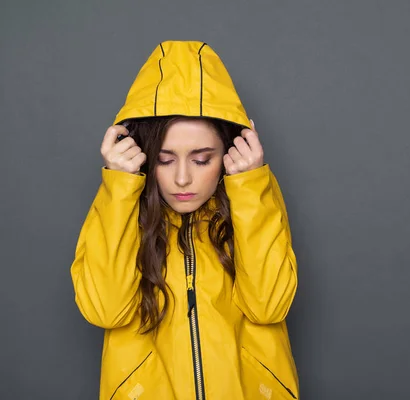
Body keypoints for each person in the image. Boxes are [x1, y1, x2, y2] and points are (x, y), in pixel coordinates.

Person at [70, 41, 299, 400]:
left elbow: (269, 306)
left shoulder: (254, 198)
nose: (181, 179)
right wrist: (119, 188)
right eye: (164, 159)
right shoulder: (120, 205)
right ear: (144, 156)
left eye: (202, 159)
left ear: (229, 152)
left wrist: (249, 187)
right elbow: (106, 311)